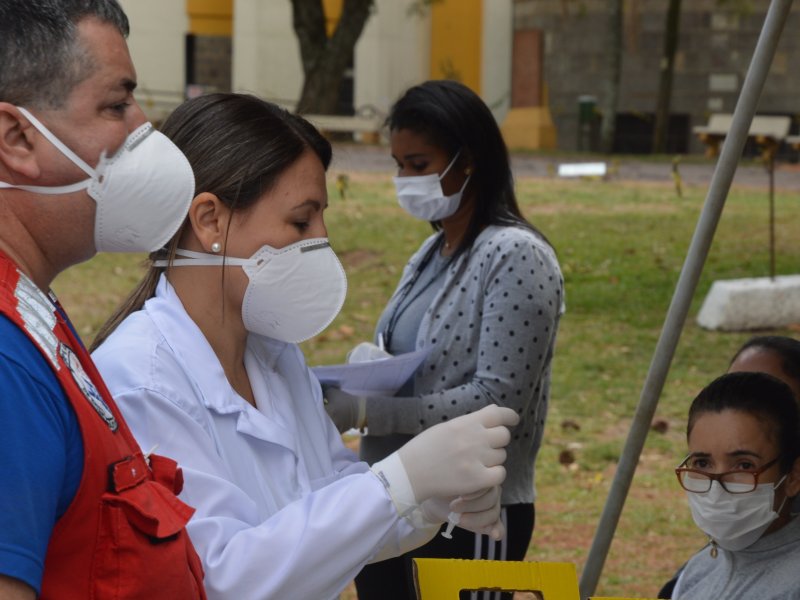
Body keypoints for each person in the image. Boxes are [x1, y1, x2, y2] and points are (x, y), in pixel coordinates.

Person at [90, 92, 521, 600]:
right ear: (209, 221)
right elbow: (220, 577)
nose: (321, 240)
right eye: (301, 221)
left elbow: (331, 510)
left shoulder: (273, 356)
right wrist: (400, 482)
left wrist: (430, 498)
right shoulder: (139, 381)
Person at [323, 80, 565, 600]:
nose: (404, 179)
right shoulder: (431, 254)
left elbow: (497, 402)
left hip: (469, 513)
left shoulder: (515, 256)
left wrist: (368, 413)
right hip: (396, 497)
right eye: (397, 165)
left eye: (418, 164)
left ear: (469, 160)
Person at [0, 1, 207, 598]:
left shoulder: (32, 306)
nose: (144, 127)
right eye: (116, 106)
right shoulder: (6, 363)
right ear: (16, 137)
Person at [658, 335, 800, 599]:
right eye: (702, 463)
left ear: (793, 476)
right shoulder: (701, 569)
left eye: (744, 465)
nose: (716, 486)